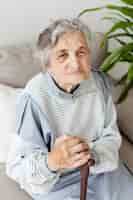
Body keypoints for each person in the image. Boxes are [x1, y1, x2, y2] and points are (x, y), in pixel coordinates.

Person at [6, 18, 133, 200]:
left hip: (101, 170)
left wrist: (92, 154)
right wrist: (54, 160)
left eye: (81, 52)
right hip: (57, 183)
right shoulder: (33, 98)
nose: (75, 63)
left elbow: (110, 136)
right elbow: (18, 167)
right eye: (63, 55)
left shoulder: (98, 83)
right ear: (48, 64)